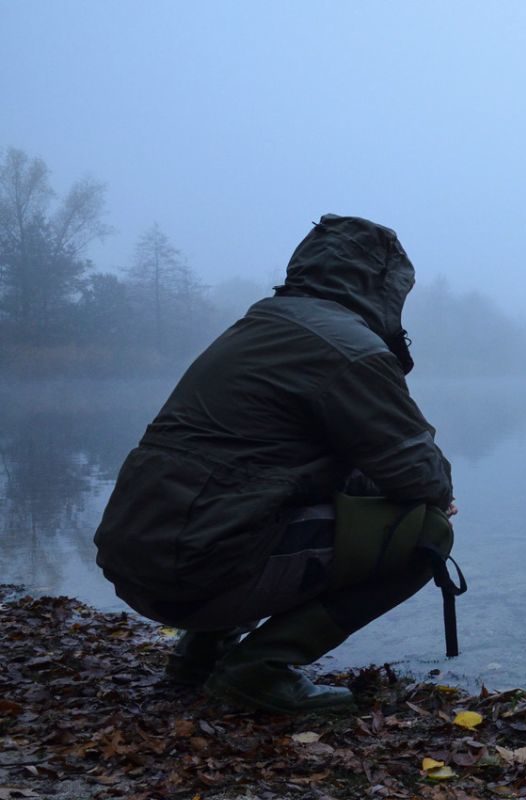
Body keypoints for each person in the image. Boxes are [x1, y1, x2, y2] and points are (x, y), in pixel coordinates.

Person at [94, 214, 460, 714]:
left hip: (137, 561)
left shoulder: (258, 324)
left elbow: (281, 465)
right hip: (197, 571)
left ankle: (201, 650)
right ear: (383, 286)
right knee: (425, 533)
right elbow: (421, 475)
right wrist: (429, 497)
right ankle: (257, 671)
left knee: (261, 497)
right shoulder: (350, 349)